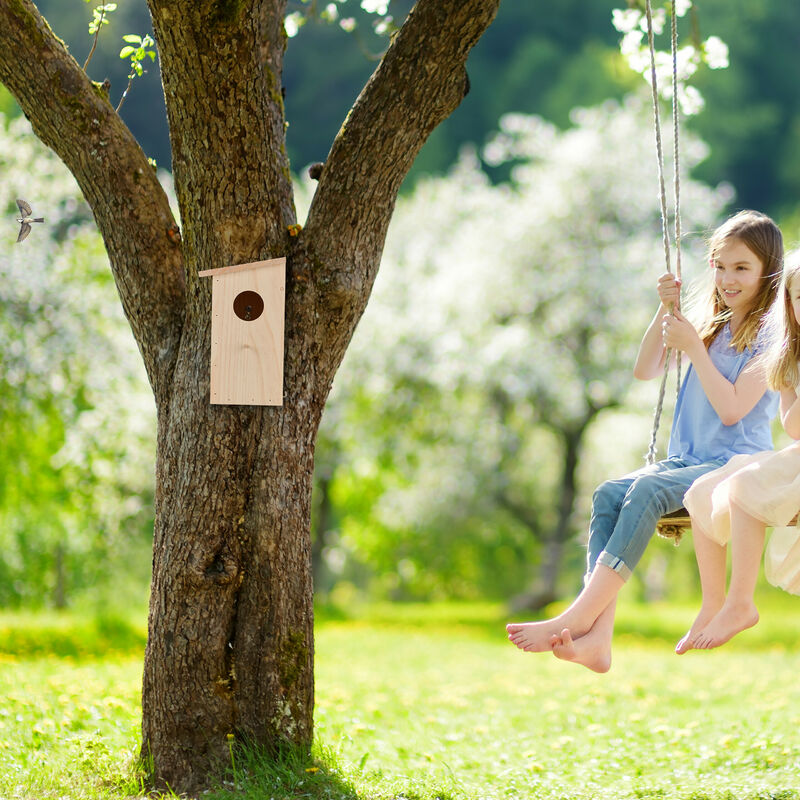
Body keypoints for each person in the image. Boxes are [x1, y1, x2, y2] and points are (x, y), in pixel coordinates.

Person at [506, 210, 783, 672]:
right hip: (687, 459)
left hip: (734, 464)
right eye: (720, 266)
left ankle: (580, 615)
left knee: (649, 490)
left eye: (742, 268)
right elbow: (646, 368)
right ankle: (598, 638)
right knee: (608, 494)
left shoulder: (772, 338)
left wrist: (693, 349)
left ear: (767, 272)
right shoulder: (712, 325)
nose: (727, 279)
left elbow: (732, 409)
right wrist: (665, 310)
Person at [676, 251, 800, 653]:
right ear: (789, 305)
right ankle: (713, 604)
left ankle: (741, 602)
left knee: (746, 484)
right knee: (704, 490)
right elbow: (792, 426)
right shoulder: (789, 356)